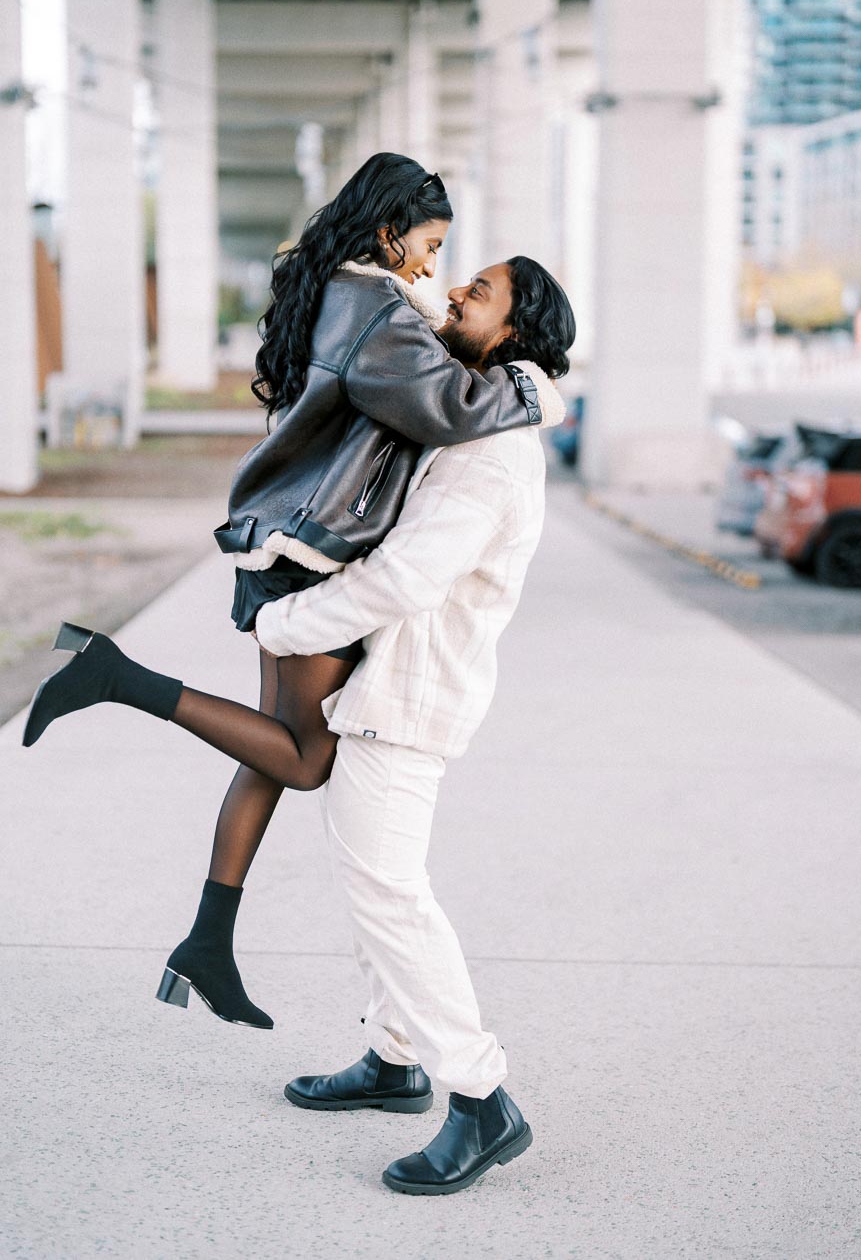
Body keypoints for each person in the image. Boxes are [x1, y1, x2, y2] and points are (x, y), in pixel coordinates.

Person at [21, 154, 548, 1031]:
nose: (433, 266)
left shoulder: (352, 294)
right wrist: (533, 387)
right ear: (390, 230)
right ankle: (115, 677)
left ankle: (207, 940)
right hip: (309, 553)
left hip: (287, 540)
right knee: (303, 761)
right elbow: (450, 408)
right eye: (429, 243)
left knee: (272, 750)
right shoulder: (379, 315)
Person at [254, 256, 575, 1195]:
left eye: (479, 292)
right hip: (388, 689)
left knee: (389, 893)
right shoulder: (469, 416)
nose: (457, 293)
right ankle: (393, 1058)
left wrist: (285, 625)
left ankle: (481, 1099)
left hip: (412, 697)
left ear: (514, 331)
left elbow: (405, 579)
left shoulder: (494, 450)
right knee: (373, 883)